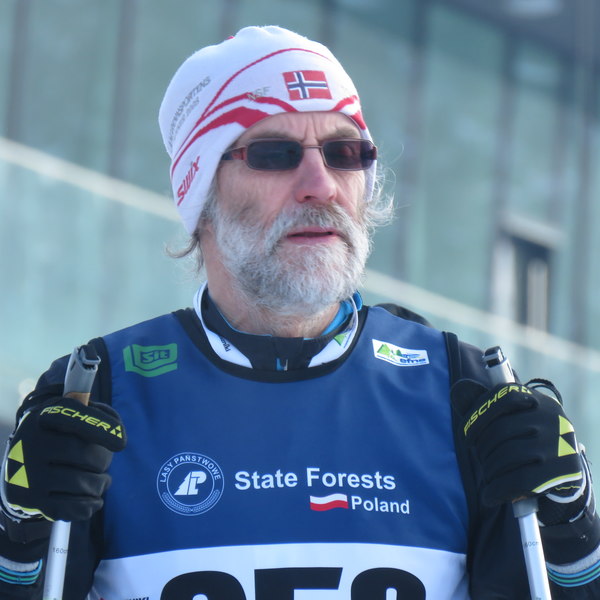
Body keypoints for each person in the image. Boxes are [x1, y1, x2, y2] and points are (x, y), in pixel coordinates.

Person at [0, 25, 598, 600]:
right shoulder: (96, 394)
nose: (321, 184)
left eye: (344, 152)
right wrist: (17, 532)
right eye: (275, 154)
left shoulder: (464, 392)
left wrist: (572, 522)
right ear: (200, 194)